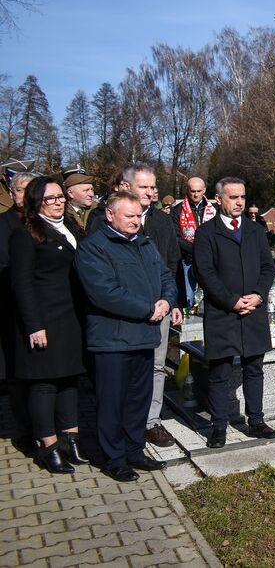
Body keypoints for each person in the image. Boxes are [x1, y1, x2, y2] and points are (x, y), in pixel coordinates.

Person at [76, 190, 181, 482]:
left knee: (138, 399)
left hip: (144, 337)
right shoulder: (94, 247)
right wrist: (148, 308)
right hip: (113, 340)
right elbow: (104, 292)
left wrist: (167, 301)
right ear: (110, 215)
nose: (136, 221)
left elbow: (166, 277)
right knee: (112, 402)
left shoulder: (144, 243)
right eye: (130, 216)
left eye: (138, 216)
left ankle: (135, 450)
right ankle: (114, 458)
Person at [9, 177, 88, 474]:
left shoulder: (71, 228)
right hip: (44, 320)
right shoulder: (25, 234)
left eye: (60, 198)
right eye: (50, 199)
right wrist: (34, 324)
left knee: (69, 380)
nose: (58, 203)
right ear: (36, 203)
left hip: (71, 318)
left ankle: (71, 440)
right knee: (45, 385)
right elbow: (22, 283)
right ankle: (49, 447)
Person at [194, 177, 275, 448]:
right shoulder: (207, 232)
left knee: (254, 368)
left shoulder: (255, 231)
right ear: (219, 200)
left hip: (253, 310)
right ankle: (218, 427)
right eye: (233, 197)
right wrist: (231, 301)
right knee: (220, 371)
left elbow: (268, 268)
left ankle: (256, 421)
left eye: (242, 197)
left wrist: (259, 295)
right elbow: (204, 273)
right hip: (223, 312)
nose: (239, 202)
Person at [120, 163, 182, 448]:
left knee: (157, 366)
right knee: (126, 368)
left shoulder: (163, 222)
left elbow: (172, 263)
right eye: (143, 187)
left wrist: (172, 302)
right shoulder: (105, 219)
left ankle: (151, 422)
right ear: (126, 187)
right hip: (125, 310)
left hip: (161, 307)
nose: (150, 192)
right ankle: (124, 421)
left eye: (153, 187)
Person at [0, 170, 41, 453]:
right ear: (12, 194)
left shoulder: (46, 224)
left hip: (46, 309)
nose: (24, 196)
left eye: (30, 190)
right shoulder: (4, 225)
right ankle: (25, 429)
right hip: (11, 308)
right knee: (17, 374)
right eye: (19, 190)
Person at [172, 177, 216, 307]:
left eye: (199, 191)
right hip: (188, 258)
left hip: (210, 259)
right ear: (187, 190)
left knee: (212, 293)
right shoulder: (178, 210)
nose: (196, 194)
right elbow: (176, 237)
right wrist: (195, 250)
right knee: (188, 297)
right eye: (192, 191)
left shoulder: (214, 210)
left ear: (204, 190)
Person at [62, 167, 102, 233]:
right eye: (86, 190)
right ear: (71, 193)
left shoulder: (100, 210)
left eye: (92, 189)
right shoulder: (61, 214)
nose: (91, 194)